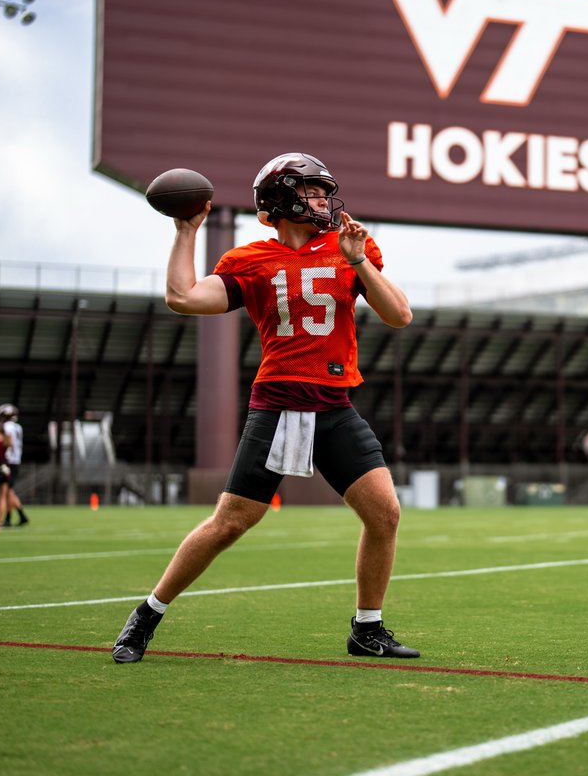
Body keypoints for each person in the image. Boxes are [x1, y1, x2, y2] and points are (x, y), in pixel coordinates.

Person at [112, 152, 418, 664]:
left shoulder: (348, 249)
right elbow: (182, 297)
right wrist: (186, 231)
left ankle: (367, 629)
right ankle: (146, 614)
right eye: (312, 190)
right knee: (230, 523)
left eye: (323, 190)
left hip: (334, 405)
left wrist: (359, 257)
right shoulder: (249, 260)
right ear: (280, 200)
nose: (323, 199)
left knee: (384, 513)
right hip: (277, 405)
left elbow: (400, 315)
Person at [0, 404, 30, 527]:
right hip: (16, 461)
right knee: (9, 490)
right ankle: (20, 516)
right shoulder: (18, 427)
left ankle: (9, 518)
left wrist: (0, 456)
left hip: (8, 461)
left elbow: (7, 442)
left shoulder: (6, 427)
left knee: (6, 490)